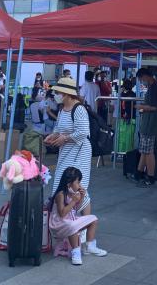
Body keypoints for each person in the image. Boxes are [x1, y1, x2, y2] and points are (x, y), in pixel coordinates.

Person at [45, 78, 96, 219]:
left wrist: (64, 138)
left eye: (58, 92)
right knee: (62, 183)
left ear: (66, 94)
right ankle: (68, 220)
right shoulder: (62, 109)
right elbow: (58, 129)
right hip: (66, 151)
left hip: (80, 152)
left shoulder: (78, 109)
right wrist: (53, 136)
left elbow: (83, 132)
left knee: (78, 186)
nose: (55, 95)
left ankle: (85, 223)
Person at [48, 166, 108, 265]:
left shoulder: (71, 193)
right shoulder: (60, 195)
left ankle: (90, 246)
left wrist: (81, 197)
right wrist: (74, 201)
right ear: (69, 183)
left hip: (70, 221)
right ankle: (76, 252)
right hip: (59, 225)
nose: (80, 185)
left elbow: (75, 210)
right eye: (78, 182)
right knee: (73, 226)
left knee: (93, 219)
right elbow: (62, 214)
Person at [130, 68, 157, 187]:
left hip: (151, 124)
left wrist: (141, 107)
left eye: (140, 78)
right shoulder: (152, 87)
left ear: (145, 76)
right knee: (144, 150)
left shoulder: (155, 88)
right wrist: (143, 107)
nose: (141, 81)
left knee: (148, 152)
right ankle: (138, 173)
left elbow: (154, 107)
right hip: (148, 123)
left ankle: (150, 177)